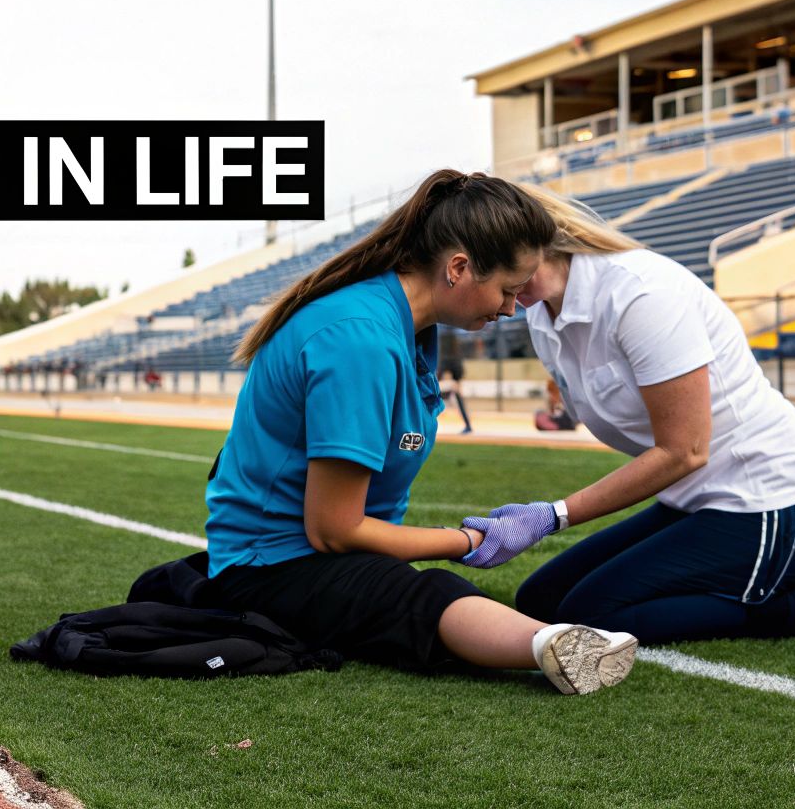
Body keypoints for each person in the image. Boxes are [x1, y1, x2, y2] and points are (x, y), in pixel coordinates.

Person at [202, 170, 639, 696]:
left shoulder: (407, 328)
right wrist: (468, 541)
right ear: (458, 268)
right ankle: (551, 644)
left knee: (392, 585)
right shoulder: (361, 342)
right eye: (506, 290)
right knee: (416, 592)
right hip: (271, 564)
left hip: (313, 554)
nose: (509, 309)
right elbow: (334, 531)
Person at [456, 185, 795, 644]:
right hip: (696, 499)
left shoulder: (639, 293)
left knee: (592, 615)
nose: (499, 292)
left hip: (774, 498)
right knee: (539, 601)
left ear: (535, 243)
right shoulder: (543, 314)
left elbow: (685, 451)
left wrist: (552, 516)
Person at [438, 356, 472, 433]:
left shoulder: (451, 383)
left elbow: (455, 384)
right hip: (440, 395)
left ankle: (468, 425)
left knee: (457, 400)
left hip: (446, 396)